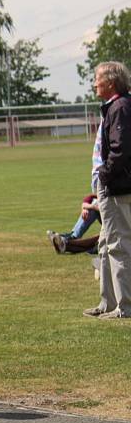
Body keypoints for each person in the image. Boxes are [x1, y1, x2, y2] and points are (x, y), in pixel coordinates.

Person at [84, 61, 131, 319]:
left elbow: (120, 149)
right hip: (111, 185)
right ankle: (107, 302)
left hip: (116, 186)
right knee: (105, 244)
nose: (94, 84)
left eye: (97, 79)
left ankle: (124, 306)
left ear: (111, 82)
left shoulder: (121, 107)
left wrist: (104, 174)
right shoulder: (116, 106)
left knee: (118, 244)